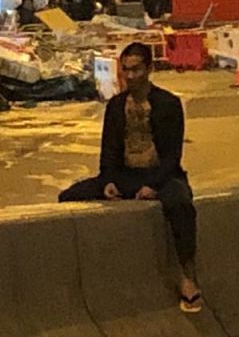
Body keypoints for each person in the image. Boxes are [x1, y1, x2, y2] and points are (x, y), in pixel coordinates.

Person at [59, 42, 202, 313]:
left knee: (180, 204)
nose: (130, 76)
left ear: (149, 69)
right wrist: (109, 180)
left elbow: (172, 156)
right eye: (126, 70)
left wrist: (153, 185)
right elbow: (108, 151)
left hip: (162, 175)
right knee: (69, 196)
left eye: (136, 69)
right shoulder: (115, 106)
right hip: (126, 175)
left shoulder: (168, 104)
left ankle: (188, 277)